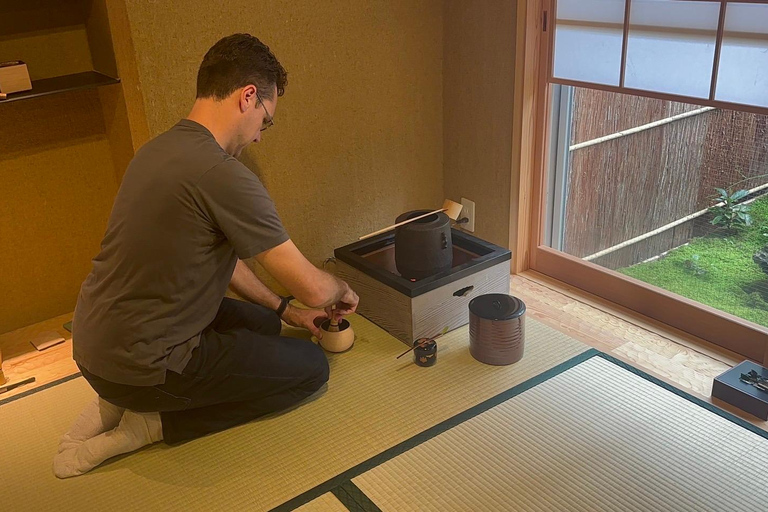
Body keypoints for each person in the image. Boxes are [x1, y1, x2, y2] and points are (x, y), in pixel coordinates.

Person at [53, 33, 359, 479]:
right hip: (142, 366)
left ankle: (117, 399)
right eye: (265, 121)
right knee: (311, 370)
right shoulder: (222, 174)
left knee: (264, 323)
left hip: (97, 343)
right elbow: (313, 287)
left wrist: (285, 310)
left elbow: (224, 262)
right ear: (248, 96)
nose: (258, 137)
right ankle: (153, 423)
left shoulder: (157, 150)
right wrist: (342, 288)